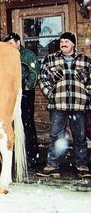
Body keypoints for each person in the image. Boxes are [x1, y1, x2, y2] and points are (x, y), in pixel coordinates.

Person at [37, 32, 91, 178]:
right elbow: (42, 78)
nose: (64, 44)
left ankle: (82, 165)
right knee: (55, 135)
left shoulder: (85, 61)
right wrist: (50, 94)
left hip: (78, 105)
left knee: (80, 137)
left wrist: (87, 94)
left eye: (67, 41)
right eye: (62, 41)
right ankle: (52, 165)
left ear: (73, 44)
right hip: (58, 104)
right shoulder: (50, 59)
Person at [3, 32, 41, 167]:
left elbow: (34, 72)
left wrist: (27, 87)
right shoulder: (5, 56)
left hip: (24, 93)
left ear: (18, 43)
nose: (9, 46)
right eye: (6, 44)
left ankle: (32, 155)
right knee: (11, 123)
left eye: (11, 44)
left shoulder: (27, 55)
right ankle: (14, 155)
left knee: (27, 123)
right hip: (10, 94)